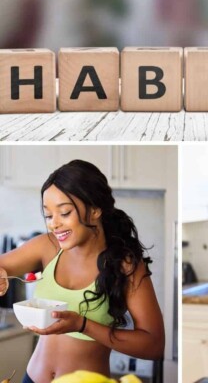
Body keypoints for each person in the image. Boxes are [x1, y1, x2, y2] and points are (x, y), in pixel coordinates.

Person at [0, 160, 165, 383]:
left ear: (95, 210)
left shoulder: (125, 266)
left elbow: (154, 345)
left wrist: (83, 325)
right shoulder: (47, 246)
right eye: (49, 216)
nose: (54, 224)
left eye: (65, 212)